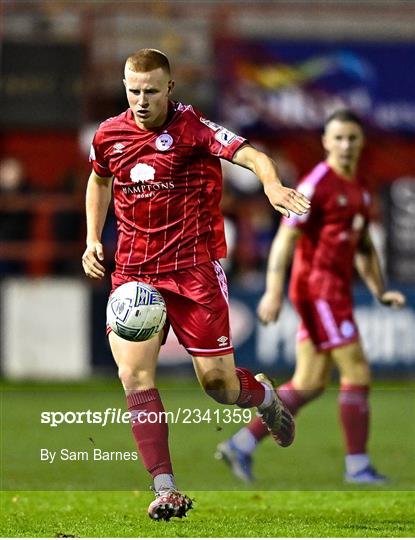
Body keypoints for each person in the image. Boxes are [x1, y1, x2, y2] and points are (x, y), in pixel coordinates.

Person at [81, 49, 310, 521]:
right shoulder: (109, 135)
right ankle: (164, 487)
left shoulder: (194, 129)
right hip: (134, 275)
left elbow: (251, 154)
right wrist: (91, 239)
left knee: (220, 387)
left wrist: (270, 185)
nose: (141, 100)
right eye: (133, 90)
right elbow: (99, 180)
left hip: (194, 273)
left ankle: (264, 397)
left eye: (150, 90)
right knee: (133, 375)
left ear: (170, 89)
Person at [216, 109, 406, 485]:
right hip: (317, 290)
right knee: (357, 371)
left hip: (333, 291)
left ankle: (241, 445)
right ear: (325, 142)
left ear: (360, 141)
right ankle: (358, 467)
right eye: (338, 138)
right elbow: (287, 237)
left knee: (311, 381)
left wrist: (379, 289)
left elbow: (364, 245)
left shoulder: (359, 187)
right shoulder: (317, 183)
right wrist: (272, 291)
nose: (346, 145)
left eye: (352, 138)